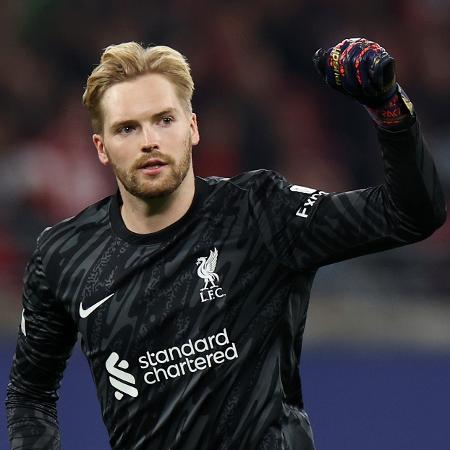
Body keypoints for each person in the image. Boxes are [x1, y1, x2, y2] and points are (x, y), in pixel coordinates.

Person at [5, 38, 446, 450]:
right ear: (101, 148)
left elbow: (410, 214)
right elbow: (29, 395)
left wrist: (387, 108)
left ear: (192, 127)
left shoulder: (260, 212)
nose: (150, 141)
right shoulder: (62, 255)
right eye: (127, 129)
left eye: (164, 119)